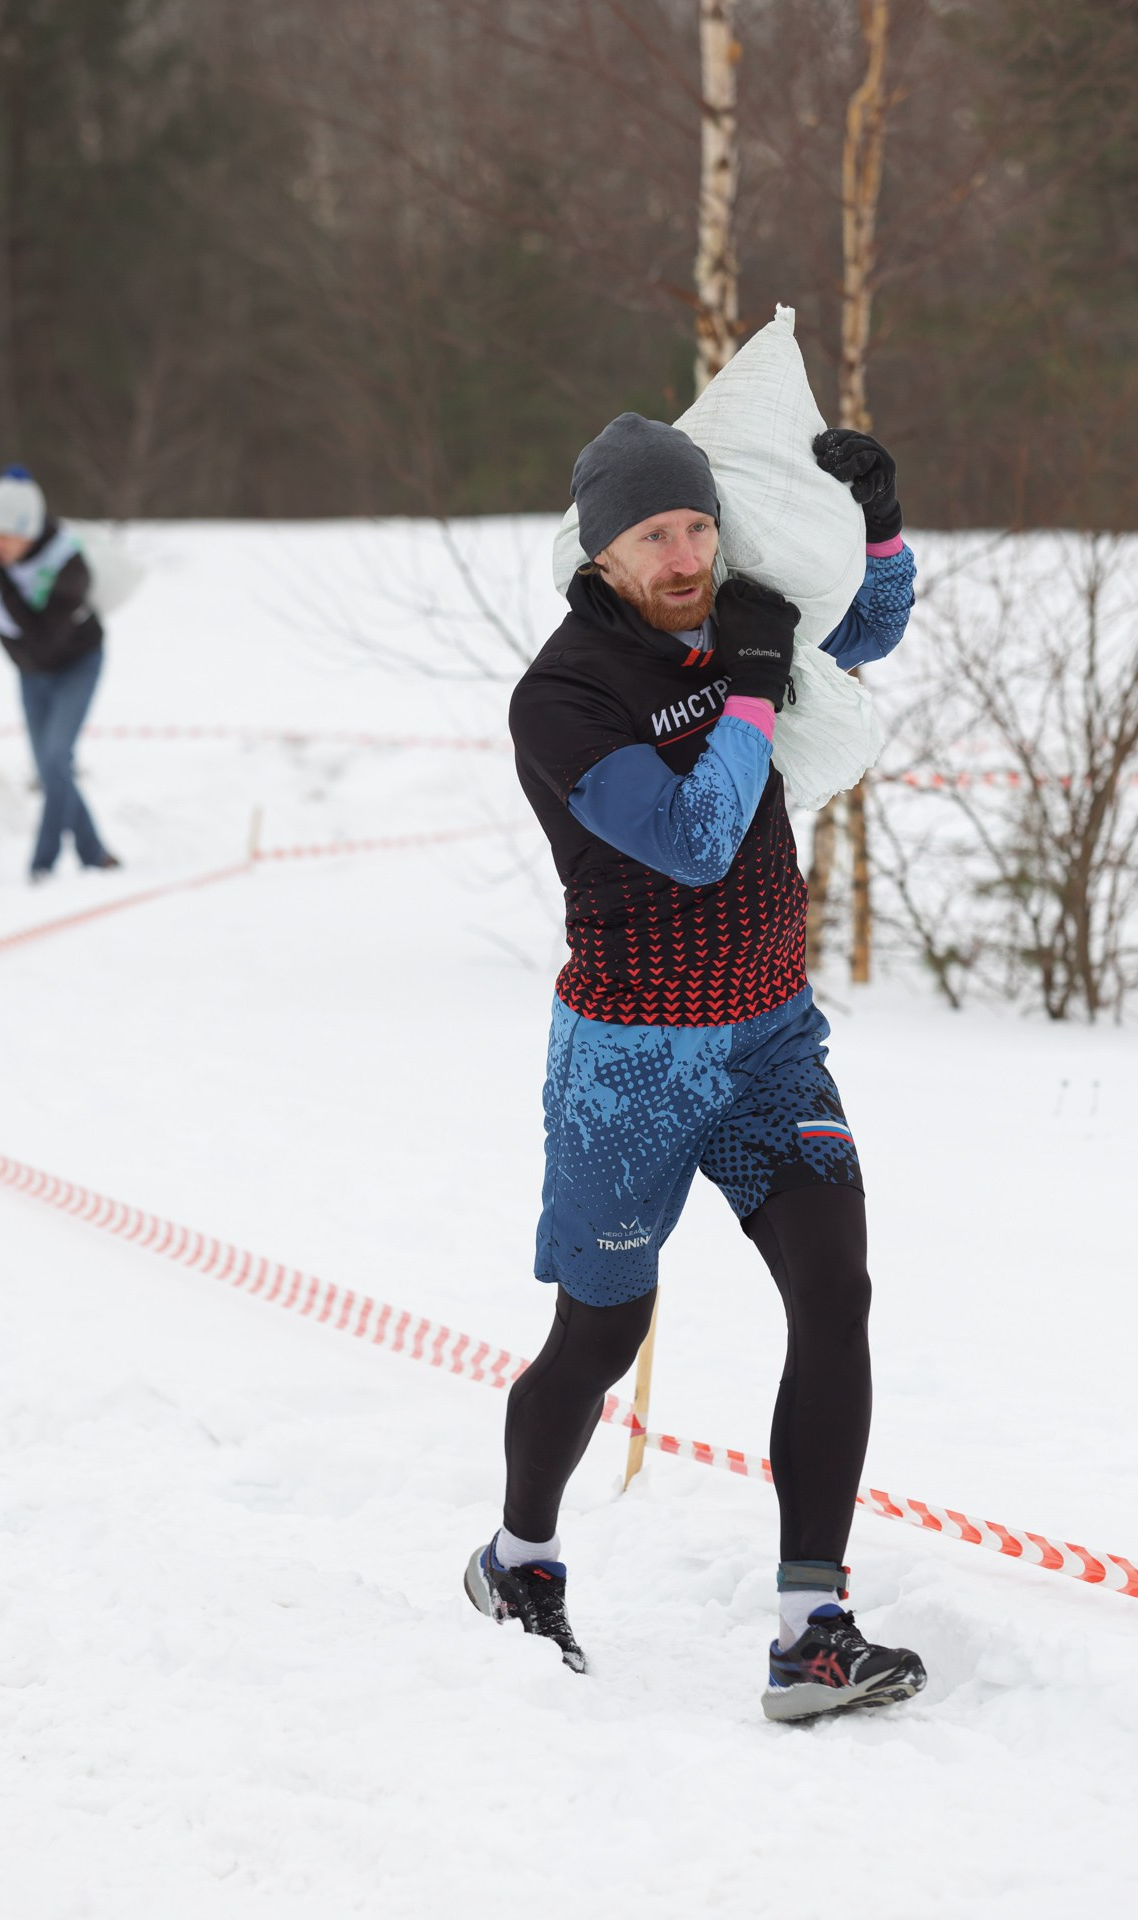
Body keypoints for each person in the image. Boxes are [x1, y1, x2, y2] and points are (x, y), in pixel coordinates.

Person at [465, 415, 926, 1722]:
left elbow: (867, 635)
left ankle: (810, 1632)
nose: (684, 554)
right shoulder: (560, 697)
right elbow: (692, 837)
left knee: (836, 1289)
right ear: (601, 549)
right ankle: (519, 1560)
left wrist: (878, 527)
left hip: (771, 1042)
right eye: (655, 534)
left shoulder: (739, 619)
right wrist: (745, 693)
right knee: (600, 1333)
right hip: (630, 1063)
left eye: (699, 527)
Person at [0, 465, 120, 882]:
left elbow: (42, 638)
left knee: (57, 758)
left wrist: (0, 575)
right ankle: (95, 854)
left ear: (30, 530)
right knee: (48, 767)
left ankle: (42, 864)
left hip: (76, 664)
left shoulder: (69, 564)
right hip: (29, 671)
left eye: (6, 539)